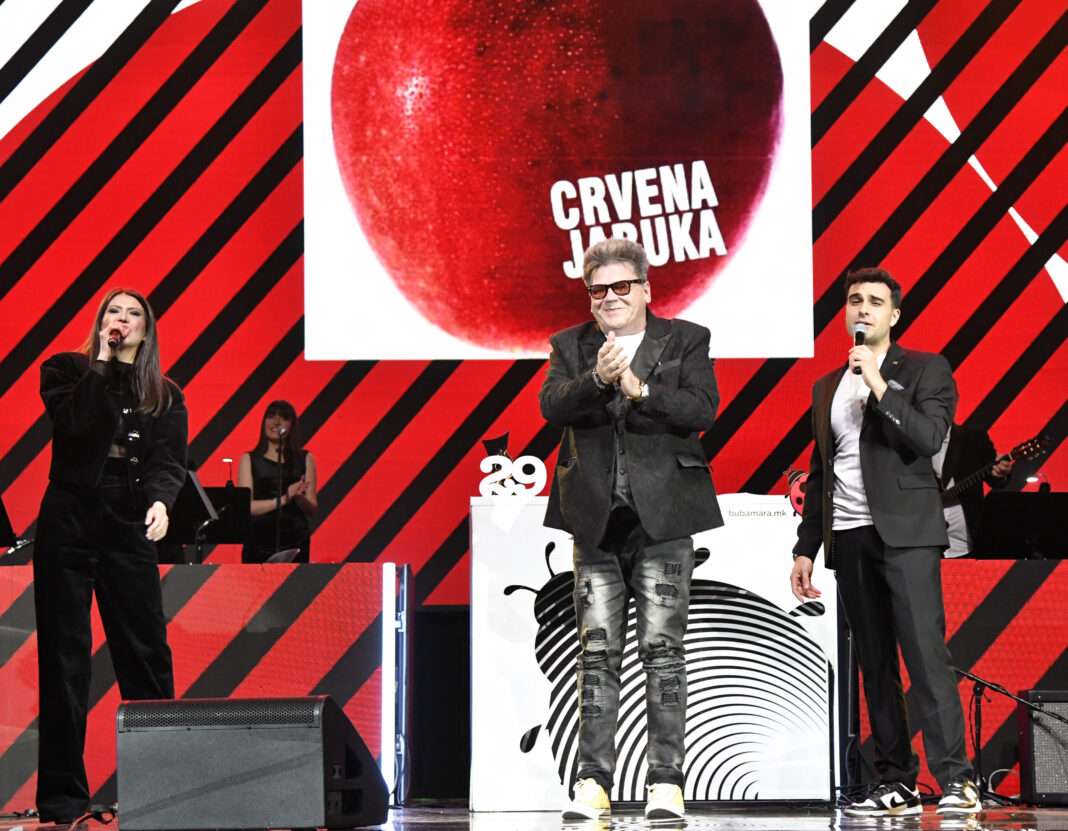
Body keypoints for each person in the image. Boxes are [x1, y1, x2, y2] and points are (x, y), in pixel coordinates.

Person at [540, 238, 722, 820]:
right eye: (599, 290)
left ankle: (666, 782)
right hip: (595, 522)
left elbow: (702, 409)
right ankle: (593, 782)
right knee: (596, 655)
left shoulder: (686, 338)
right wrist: (597, 379)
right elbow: (552, 406)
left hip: (664, 520)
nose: (610, 297)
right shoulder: (570, 345)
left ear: (645, 289)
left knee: (663, 652)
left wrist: (640, 390)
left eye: (622, 286)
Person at [790, 268, 980, 817]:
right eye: (855, 301)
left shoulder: (924, 369)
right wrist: (806, 547)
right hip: (849, 537)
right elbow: (821, 472)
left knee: (925, 656)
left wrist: (878, 383)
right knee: (874, 664)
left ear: (893, 315)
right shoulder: (825, 387)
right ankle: (896, 781)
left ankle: (957, 781)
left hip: (908, 536)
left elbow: (928, 438)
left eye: (875, 302)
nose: (863, 309)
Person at [34, 288, 187, 822]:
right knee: (64, 660)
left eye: (133, 313)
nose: (122, 319)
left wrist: (162, 502)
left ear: (147, 329)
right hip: (69, 518)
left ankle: (162, 795)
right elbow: (75, 424)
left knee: (145, 655)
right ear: (101, 322)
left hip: (128, 521)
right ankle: (63, 800)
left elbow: (169, 460)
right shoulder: (65, 370)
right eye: (114, 311)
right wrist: (102, 362)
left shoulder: (163, 392)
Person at [237, 400, 317, 563]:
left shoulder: (304, 458)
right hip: (258, 540)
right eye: (271, 416)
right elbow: (247, 506)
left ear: (291, 425)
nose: (276, 422)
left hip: (295, 538)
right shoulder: (250, 459)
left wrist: (298, 497)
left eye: (284, 418)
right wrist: (284, 499)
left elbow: (312, 508)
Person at [934, 423, 1011, 557]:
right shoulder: (908, 440)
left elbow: (995, 479)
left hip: (964, 545)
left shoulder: (974, 438)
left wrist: (1000, 473)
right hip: (918, 542)